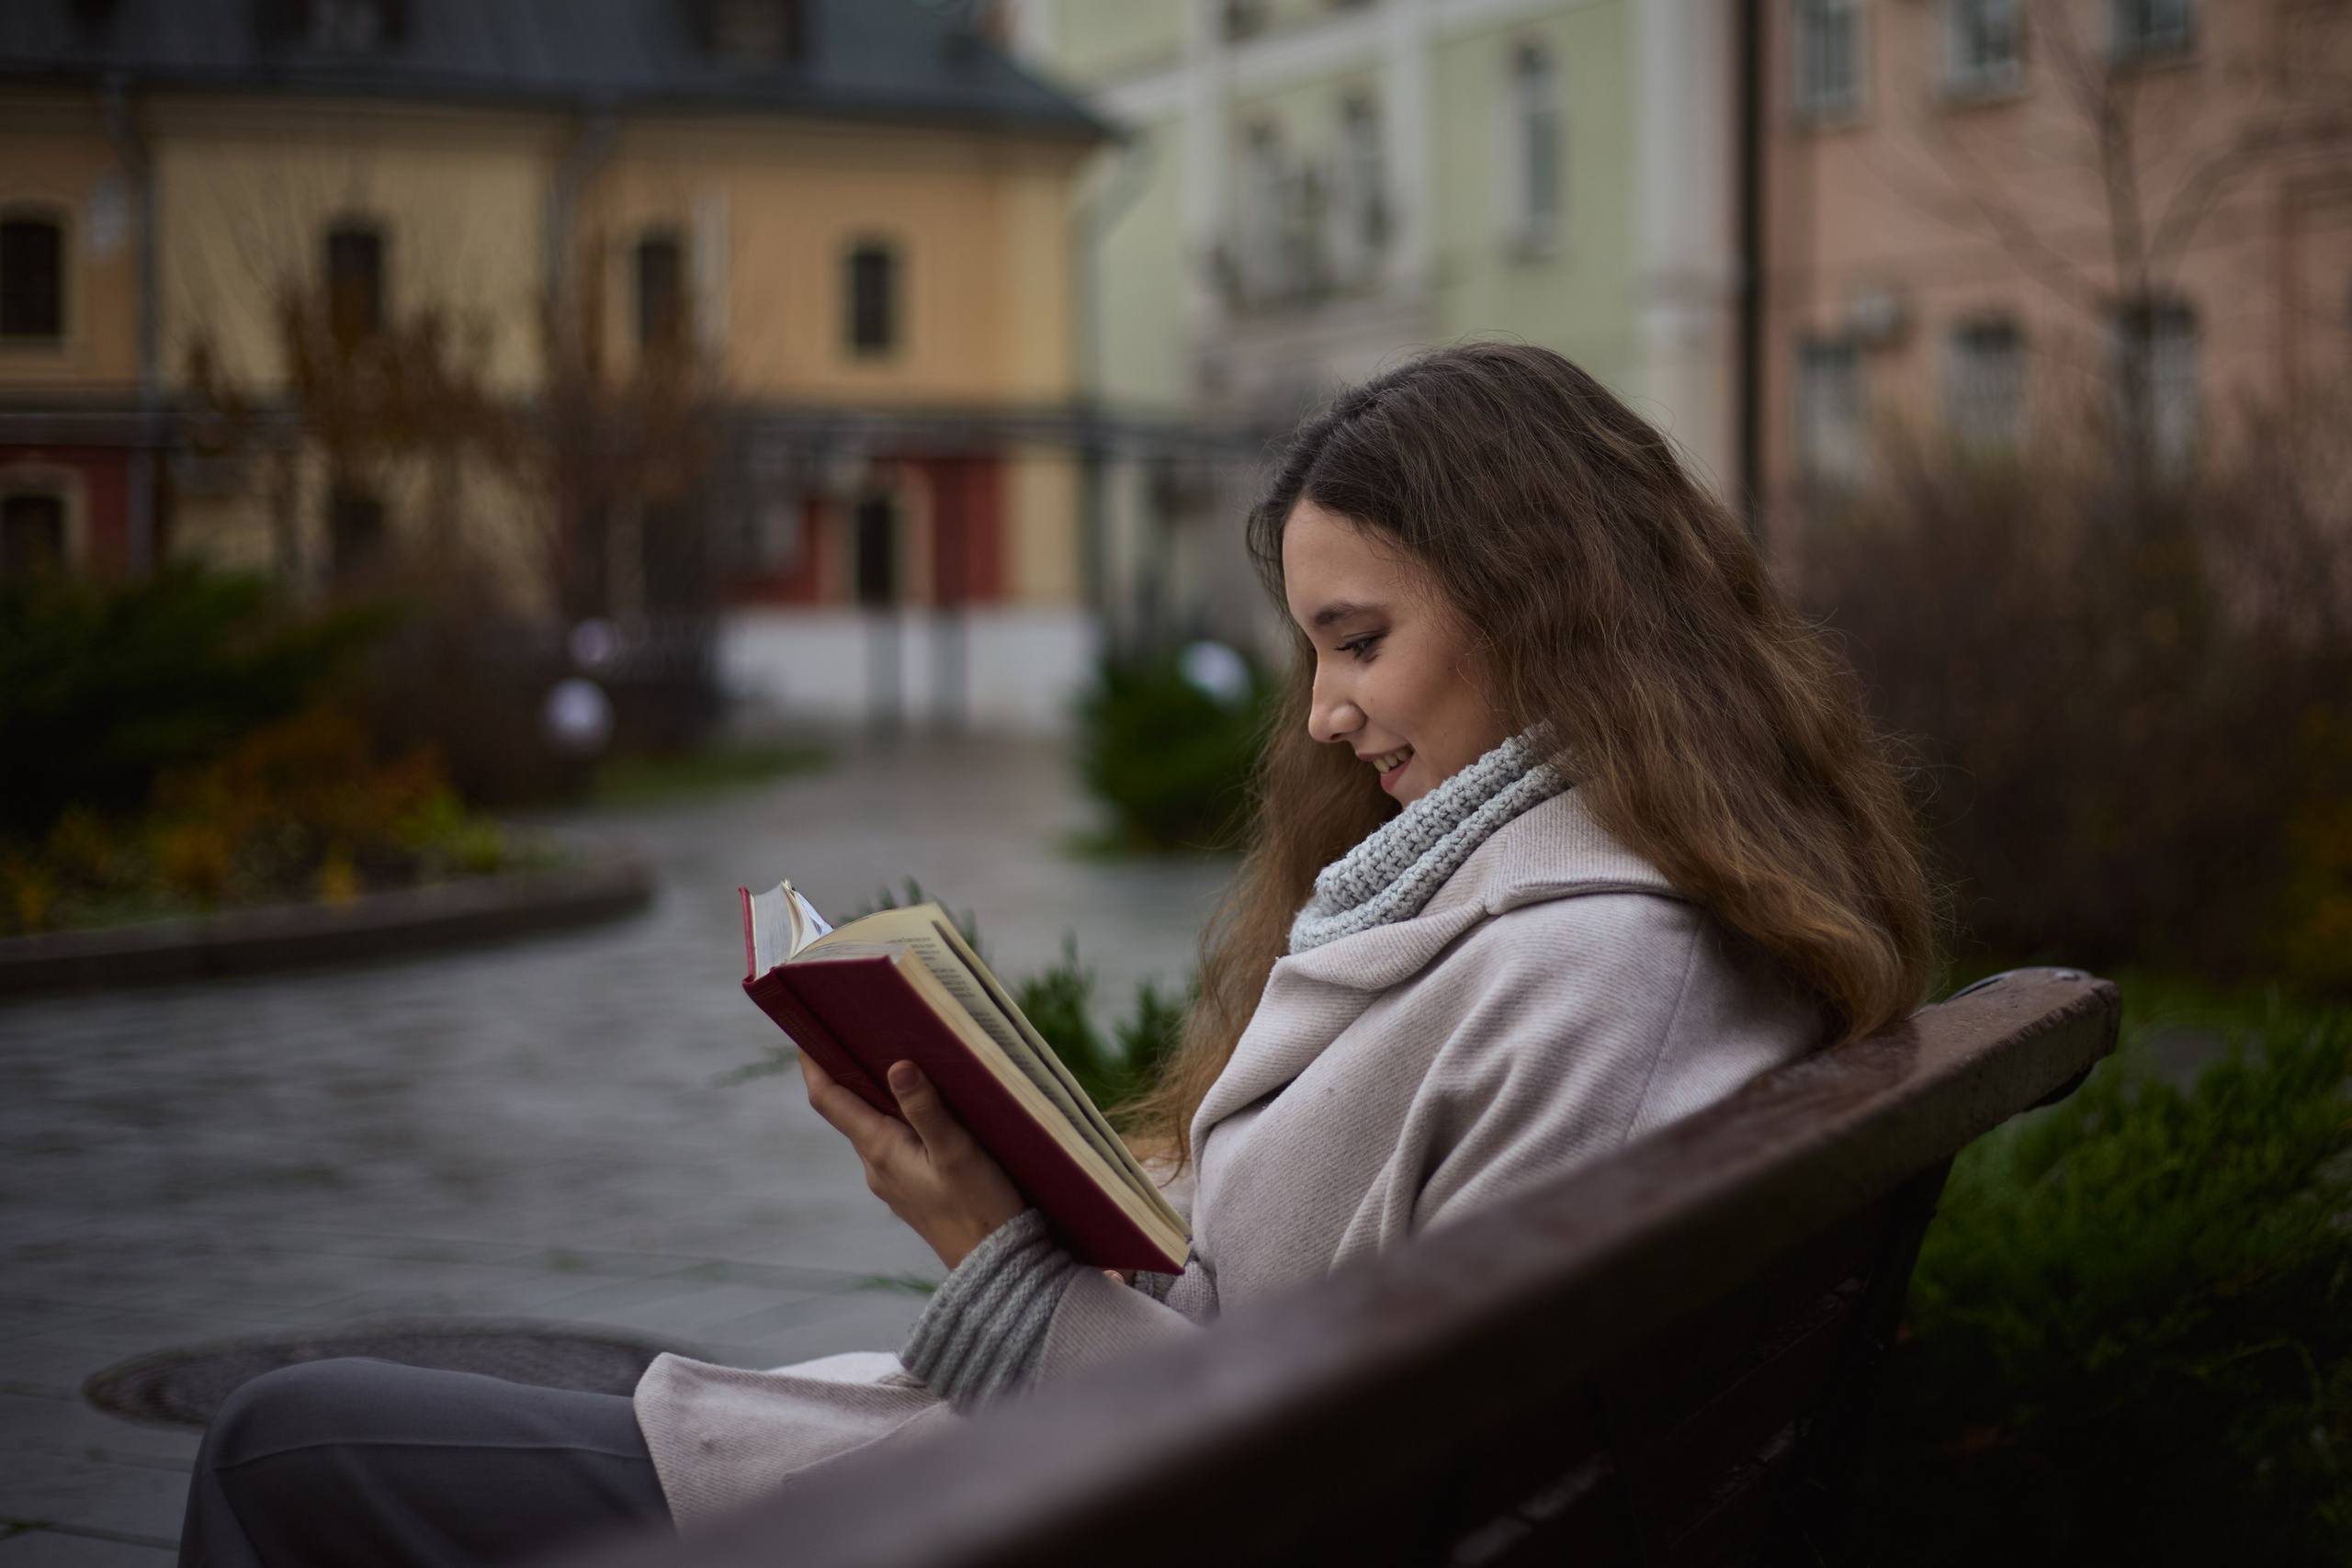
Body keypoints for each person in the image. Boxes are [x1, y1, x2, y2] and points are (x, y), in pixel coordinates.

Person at [178, 343, 1932, 1567]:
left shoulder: (1593, 982)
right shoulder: (1592, 917)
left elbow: (1308, 1491)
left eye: (1359, 642)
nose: (1324, 713)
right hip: (1064, 1477)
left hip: (1051, 1514)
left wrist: (991, 1251)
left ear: (1549, 602)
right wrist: (1086, 1183)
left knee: (293, 1445)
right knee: (378, 1416)